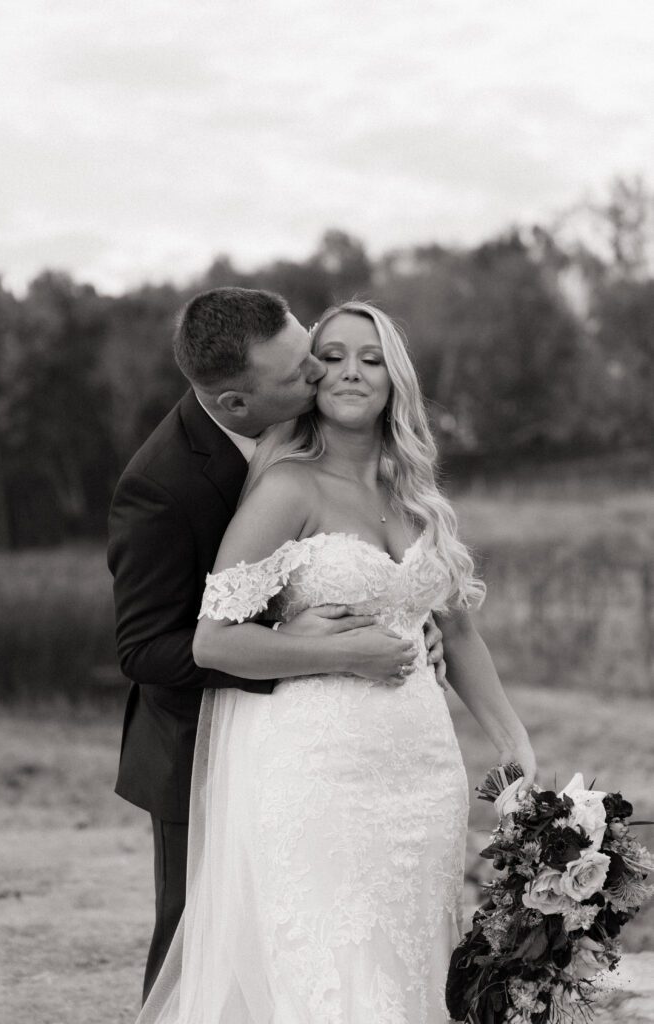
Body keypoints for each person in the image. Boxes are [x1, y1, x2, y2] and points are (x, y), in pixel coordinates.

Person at [136, 301, 537, 1023]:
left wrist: (513, 741)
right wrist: (341, 651)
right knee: (336, 972)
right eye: (334, 355)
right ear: (311, 378)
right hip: (317, 770)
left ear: (394, 379)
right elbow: (212, 642)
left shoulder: (418, 498)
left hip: (421, 772)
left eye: (371, 357)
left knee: (412, 964)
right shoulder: (286, 489)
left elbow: (461, 635)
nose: (350, 369)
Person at [107, 288, 446, 1001]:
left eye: (309, 353)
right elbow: (146, 649)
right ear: (236, 404)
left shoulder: (320, 436)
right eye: (305, 372)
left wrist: (407, 621)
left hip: (361, 738)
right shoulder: (159, 487)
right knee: (201, 941)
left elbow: (353, 560)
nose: (323, 377)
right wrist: (311, 652)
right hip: (192, 734)